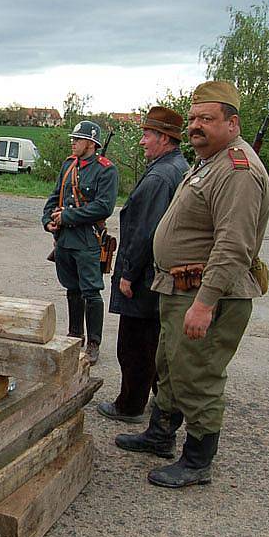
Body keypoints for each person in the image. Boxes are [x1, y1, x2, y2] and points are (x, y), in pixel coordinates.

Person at [115, 81, 269, 488]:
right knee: (170, 366)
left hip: (207, 293)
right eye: (193, 120)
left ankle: (198, 460)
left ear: (232, 123)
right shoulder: (211, 161)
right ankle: (160, 434)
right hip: (180, 289)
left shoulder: (238, 170)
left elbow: (233, 245)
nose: (195, 127)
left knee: (198, 374)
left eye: (207, 119)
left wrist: (204, 303)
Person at [97, 107, 189, 423]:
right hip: (158, 274)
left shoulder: (162, 176)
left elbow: (145, 230)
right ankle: (156, 399)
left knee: (135, 345)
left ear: (164, 138)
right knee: (152, 341)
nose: (142, 142)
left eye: (147, 135)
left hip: (145, 276)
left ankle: (129, 405)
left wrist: (128, 274)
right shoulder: (177, 167)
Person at [41, 121, 118, 364]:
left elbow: (104, 206)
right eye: (73, 138)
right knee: (72, 290)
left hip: (87, 240)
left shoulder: (106, 170)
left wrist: (68, 216)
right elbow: (55, 197)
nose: (73, 142)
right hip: (64, 240)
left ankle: (94, 342)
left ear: (91, 143)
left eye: (78, 139)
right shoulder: (68, 165)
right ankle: (75, 335)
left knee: (91, 292)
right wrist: (47, 221)